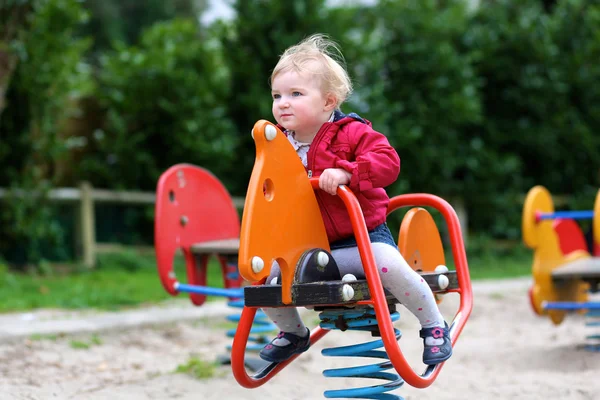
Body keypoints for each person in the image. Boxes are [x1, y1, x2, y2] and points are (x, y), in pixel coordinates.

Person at [258, 34, 452, 366]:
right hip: (312, 246)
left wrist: (348, 172)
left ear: (328, 101)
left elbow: (388, 162)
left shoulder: (352, 133)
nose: (283, 103)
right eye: (277, 95)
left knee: (386, 263)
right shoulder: (279, 146)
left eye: (295, 94)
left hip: (363, 237)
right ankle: (293, 333)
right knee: (264, 274)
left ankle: (433, 325)